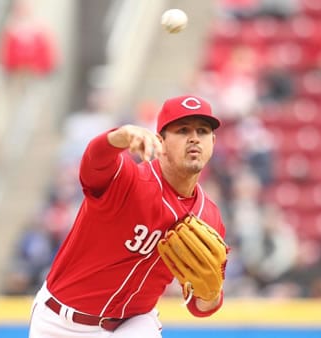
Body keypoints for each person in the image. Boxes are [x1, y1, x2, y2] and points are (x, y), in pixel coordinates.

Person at [28, 95, 227, 337]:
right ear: (160, 141)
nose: (195, 138)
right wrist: (120, 137)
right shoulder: (128, 181)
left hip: (133, 324)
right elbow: (94, 161)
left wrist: (211, 294)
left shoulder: (210, 216)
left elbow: (200, 307)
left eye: (203, 131)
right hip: (61, 322)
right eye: (183, 130)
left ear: (213, 141)